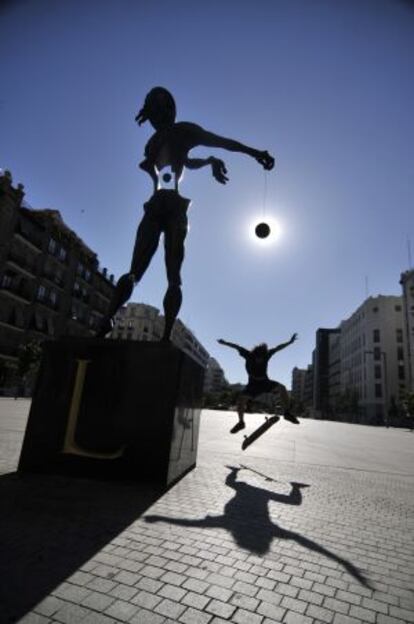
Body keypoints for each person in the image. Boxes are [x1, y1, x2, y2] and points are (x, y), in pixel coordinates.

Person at [96, 87, 275, 339]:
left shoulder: (153, 143)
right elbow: (221, 144)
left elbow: (184, 162)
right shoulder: (182, 131)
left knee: (135, 270)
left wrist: (211, 161)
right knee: (173, 276)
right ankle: (166, 336)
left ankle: (108, 318)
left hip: (155, 204)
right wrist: (255, 154)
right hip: (174, 206)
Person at [218, 334, 300, 433]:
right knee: (241, 399)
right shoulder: (248, 354)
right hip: (252, 385)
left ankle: (287, 413)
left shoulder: (267, 355)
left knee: (282, 388)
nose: (260, 360)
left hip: (265, 382)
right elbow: (236, 346)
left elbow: (278, 348)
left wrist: (289, 342)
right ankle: (241, 423)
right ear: (255, 355)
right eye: (258, 358)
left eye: (262, 359)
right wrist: (224, 343)